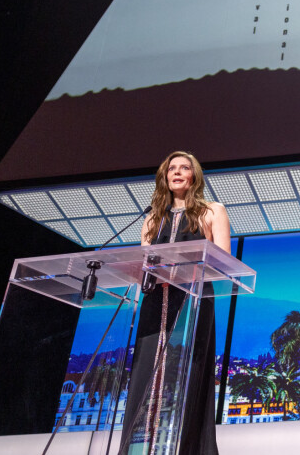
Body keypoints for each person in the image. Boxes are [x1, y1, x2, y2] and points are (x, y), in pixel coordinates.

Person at [121, 151, 230, 455]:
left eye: (185, 168)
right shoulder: (152, 219)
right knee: (145, 381)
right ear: (164, 176)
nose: (178, 172)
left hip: (192, 305)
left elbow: (224, 262)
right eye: (172, 169)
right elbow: (144, 265)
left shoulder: (212, 211)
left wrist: (182, 270)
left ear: (195, 175)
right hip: (155, 305)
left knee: (189, 378)